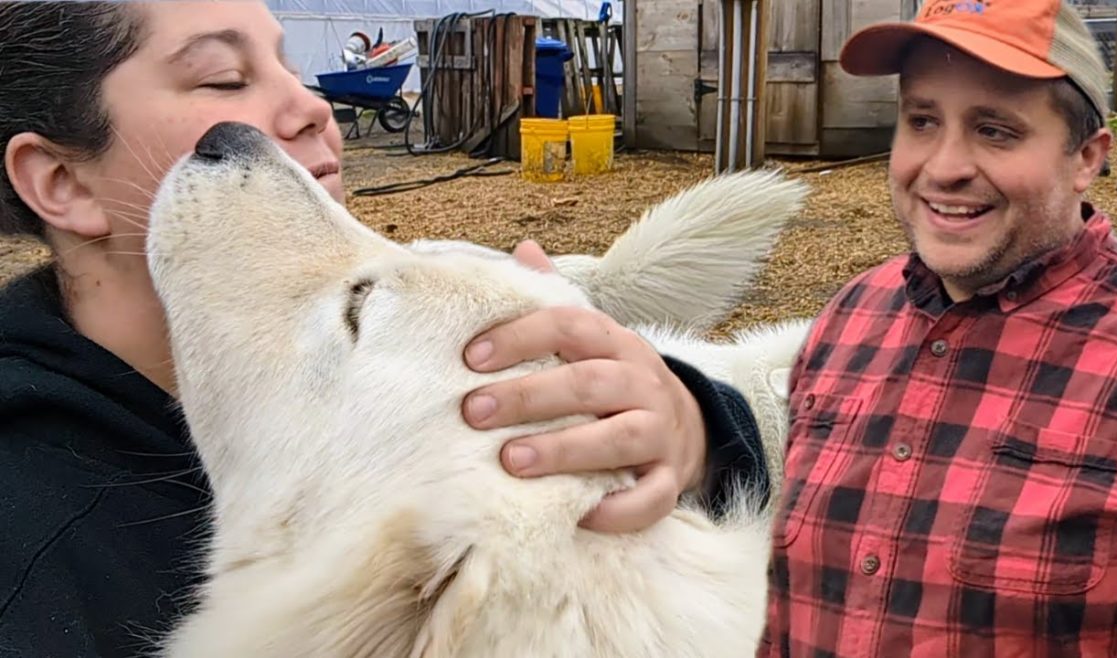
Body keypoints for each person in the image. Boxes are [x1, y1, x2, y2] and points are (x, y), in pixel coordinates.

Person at [0, 3, 767, 656]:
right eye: (224, 79)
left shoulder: (392, 368)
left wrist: (694, 431)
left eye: (288, 69)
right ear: (60, 181)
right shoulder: (31, 547)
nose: (311, 107)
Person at [759, 1, 1117, 656]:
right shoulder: (852, 317)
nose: (943, 166)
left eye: (995, 130)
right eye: (922, 120)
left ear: (1086, 158)